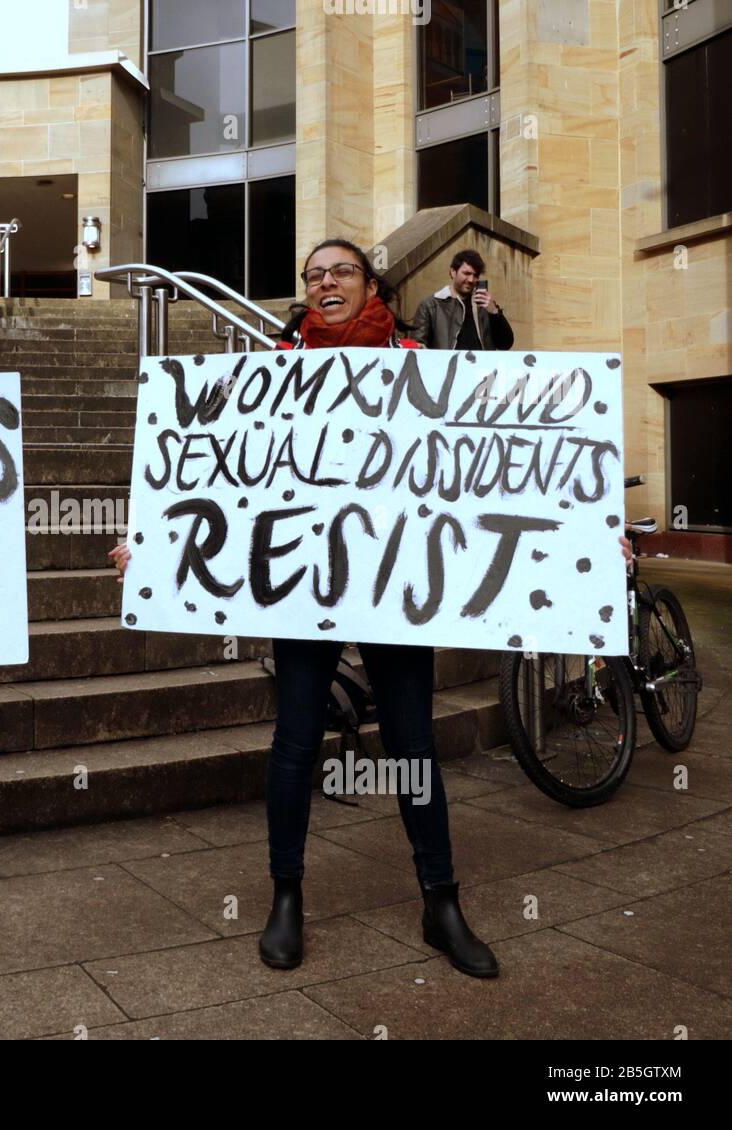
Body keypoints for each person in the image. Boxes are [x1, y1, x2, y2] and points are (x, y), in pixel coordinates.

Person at [109, 239, 632, 978]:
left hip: (397, 585)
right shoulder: (271, 364)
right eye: (314, 274)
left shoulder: (418, 354)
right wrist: (149, 542)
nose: (326, 282)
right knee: (295, 742)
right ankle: (285, 896)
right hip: (305, 584)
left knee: (413, 743)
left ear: (370, 284)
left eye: (341, 272)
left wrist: (591, 535)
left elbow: (502, 467)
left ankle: (440, 901)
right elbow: (194, 455)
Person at [411, 249, 514, 351]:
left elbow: (505, 344)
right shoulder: (431, 305)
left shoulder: (485, 305)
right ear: (453, 272)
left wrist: (495, 313)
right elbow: (417, 347)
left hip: (482, 367)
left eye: (476, 275)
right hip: (449, 366)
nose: (471, 280)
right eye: (466, 273)